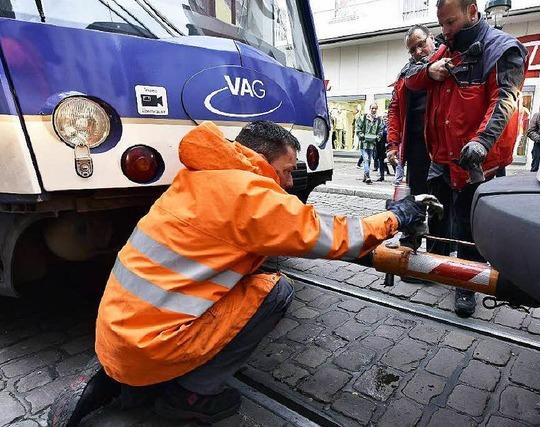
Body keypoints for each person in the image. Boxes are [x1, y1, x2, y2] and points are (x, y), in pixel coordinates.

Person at [90, 120, 425, 424]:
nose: (290, 181)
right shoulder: (249, 194)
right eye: (287, 170)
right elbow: (338, 238)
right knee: (276, 290)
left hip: (115, 338)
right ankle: (192, 395)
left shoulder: (200, 176)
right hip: (148, 350)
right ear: (263, 160)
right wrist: (396, 216)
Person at [405, 0, 527, 317]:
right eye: (441, 24)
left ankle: (467, 285)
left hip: (475, 163)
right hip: (442, 156)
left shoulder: (502, 48)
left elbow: (504, 100)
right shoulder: (446, 49)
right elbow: (410, 80)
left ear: (472, 11)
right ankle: (438, 266)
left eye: (450, 22)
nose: (445, 31)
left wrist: (482, 142)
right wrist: (430, 72)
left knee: (469, 227)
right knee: (439, 215)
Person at [387, 24, 437, 195]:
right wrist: (393, 144)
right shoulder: (404, 75)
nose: (417, 51)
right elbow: (394, 109)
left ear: (432, 37)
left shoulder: (448, 61)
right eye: (412, 49)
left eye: (421, 44)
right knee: (416, 198)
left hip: (442, 145)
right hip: (416, 147)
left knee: (443, 203)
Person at [357, 103, 384, 184]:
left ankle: (365, 176)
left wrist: (377, 137)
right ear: (370, 108)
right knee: (366, 159)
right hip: (363, 143)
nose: (374, 110)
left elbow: (381, 130)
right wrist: (362, 136)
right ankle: (368, 176)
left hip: (372, 144)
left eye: (375, 108)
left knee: (369, 161)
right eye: (372, 108)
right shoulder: (364, 117)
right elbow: (358, 127)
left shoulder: (379, 120)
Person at [528, 96, 540, 172]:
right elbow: (530, 131)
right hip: (539, 147)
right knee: (536, 169)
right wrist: (539, 139)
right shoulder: (538, 115)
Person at [375, 115, 392, 181]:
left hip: (389, 145)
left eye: (386, 118)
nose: (385, 120)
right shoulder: (380, 126)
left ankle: (397, 175)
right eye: (384, 118)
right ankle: (382, 176)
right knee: (381, 160)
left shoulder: (391, 126)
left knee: (392, 160)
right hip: (381, 146)